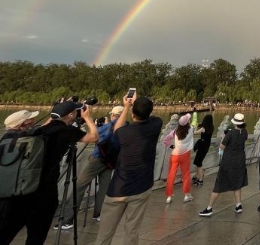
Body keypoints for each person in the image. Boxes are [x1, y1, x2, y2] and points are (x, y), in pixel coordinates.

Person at [0, 102, 98, 245]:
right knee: (36, 238)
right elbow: (94, 137)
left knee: (5, 234)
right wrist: (88, 117)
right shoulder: (67, 131)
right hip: (43, 195)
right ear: (71, 115)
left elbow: (49, 124)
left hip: (18, 191)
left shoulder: (37, 131)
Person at [94, 93, 163, 245]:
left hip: (118, 189)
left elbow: (117, 128)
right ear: (150, 112)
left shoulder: (123, 133)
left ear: (133, 114)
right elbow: (152, 116)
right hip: (141, 187)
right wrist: (140, 107)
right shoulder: (156, 124)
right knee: (132, 232)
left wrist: (126, 106)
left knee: (105, 233)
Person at [55, 106, 126, 229]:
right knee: (104, 187)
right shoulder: (126, 125)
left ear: (114, 115)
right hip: (111, 160)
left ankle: (68, 219)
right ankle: (99, 213)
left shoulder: (110, 126)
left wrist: (92, 123)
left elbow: (95, 138)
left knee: (80, 186)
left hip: (98, 158)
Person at [199, 113, 248, 216]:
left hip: (229, 161)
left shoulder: (231, 133)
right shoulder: (244, 132)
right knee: (237, 183)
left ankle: (209, 208)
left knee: (219, 184)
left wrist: (223, 137)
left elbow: (222, 147)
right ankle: (238, 205)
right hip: (240, 160)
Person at [162, 113, 195, 203]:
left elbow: (165, 140)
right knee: (186, 175)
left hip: (175, 155)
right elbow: (194, 121)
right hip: (185, 154)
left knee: (171, 175)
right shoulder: (191, 129)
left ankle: (169, 196)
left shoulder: (176, 131)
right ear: (188, 122)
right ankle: (186, 195)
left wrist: (172, 147)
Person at [193, 114, 214, 186]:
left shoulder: (203, 128)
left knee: (199, 163)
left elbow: (194, 133)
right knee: (199, 161)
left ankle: (200, 179)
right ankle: (197, 176)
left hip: (202, 145)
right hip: (207, 146)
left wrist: (195, 127)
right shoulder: (211, 127)